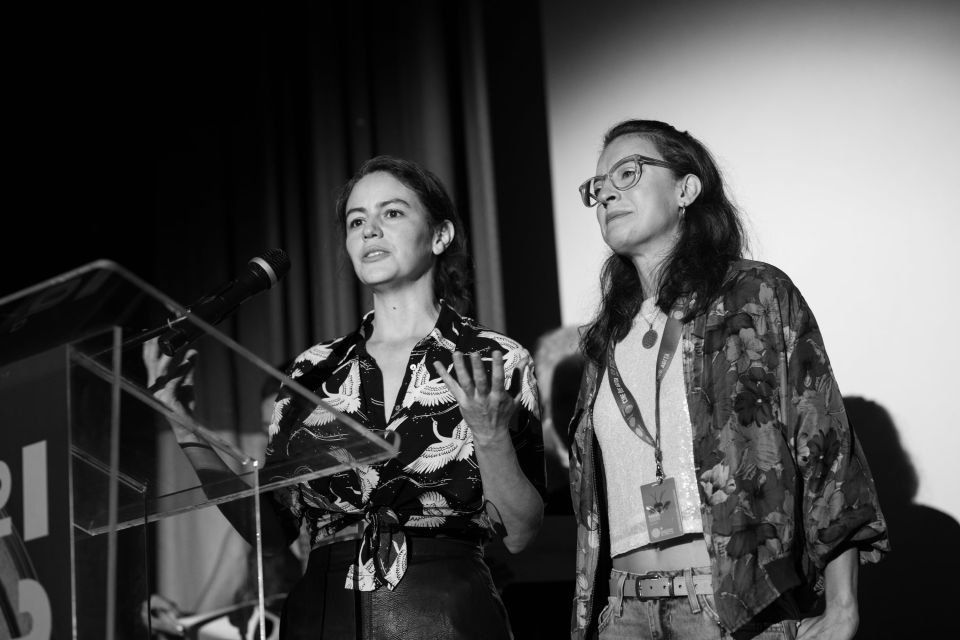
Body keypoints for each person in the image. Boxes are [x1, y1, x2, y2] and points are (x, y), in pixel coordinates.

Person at [144, 155, 546, 639]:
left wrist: (489, 433)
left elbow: (520, 534)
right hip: (322, 615)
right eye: (357, 221)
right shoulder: (312, 371)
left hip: (444, 615)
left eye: (392, 213)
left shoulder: (493, 359)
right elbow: (271, 533)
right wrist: (182, 422)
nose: (370, 230)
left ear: (441, 235)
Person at [568, 120, 888, 640]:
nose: (606, 193)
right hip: (623, 611)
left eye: (627, 173)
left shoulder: (755, 295)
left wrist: (843, 607)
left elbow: (825, 445)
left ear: (686, 189)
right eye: (597, 186)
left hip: (730, 608)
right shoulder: (605, 339)